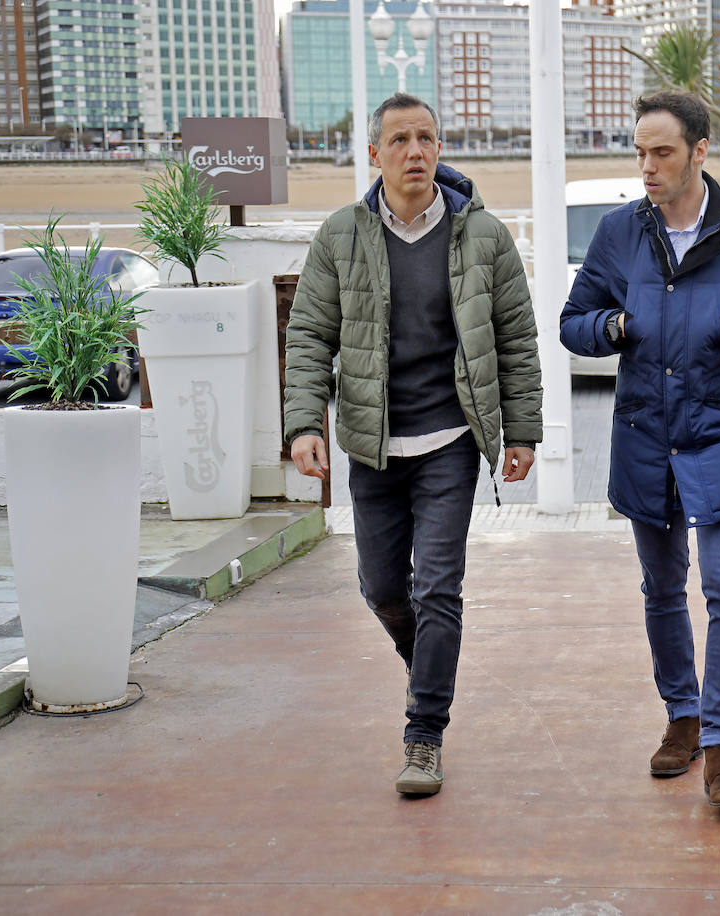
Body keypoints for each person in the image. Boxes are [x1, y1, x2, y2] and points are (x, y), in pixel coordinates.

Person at [559, 91, 720, 809]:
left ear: (700, 151)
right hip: (646, 433)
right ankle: (683, 714)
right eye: (639, 152)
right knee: (662, 588)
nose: (646, 166)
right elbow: (572, 321)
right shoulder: (618, 234)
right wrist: (609, 327)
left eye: (662, 152)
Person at [285, 92, 542, 798]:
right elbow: (309, 336)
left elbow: (517, 339)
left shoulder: (482, 237)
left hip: (450, 443)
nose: (415, 151)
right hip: (373, 445)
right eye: (399, 139)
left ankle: (424, 734)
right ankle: (424, 658)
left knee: (437, 589)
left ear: (440, 148)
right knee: (381, 589)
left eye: (426, 137)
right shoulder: (341, 236)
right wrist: (305, 423)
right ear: (375, 154)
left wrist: (521, 431)